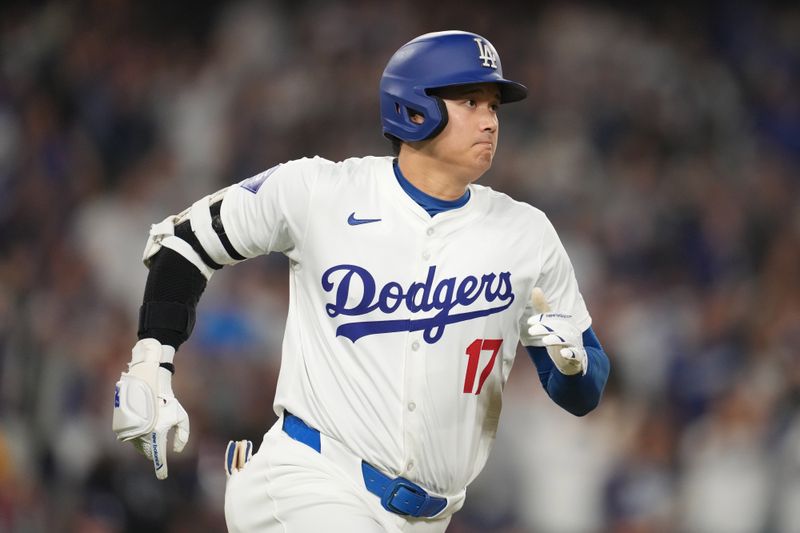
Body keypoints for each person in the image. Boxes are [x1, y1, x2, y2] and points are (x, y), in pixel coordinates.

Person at [112, 30, 611, 532]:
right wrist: (152, 359)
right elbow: (182, 242)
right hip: (309, 480)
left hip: (427, 518)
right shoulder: (321, 191)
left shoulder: (526, 232)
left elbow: (584, 393)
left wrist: (572, 365)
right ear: (414, 109)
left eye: (494, 107)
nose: (489, 121)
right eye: (470, 101)